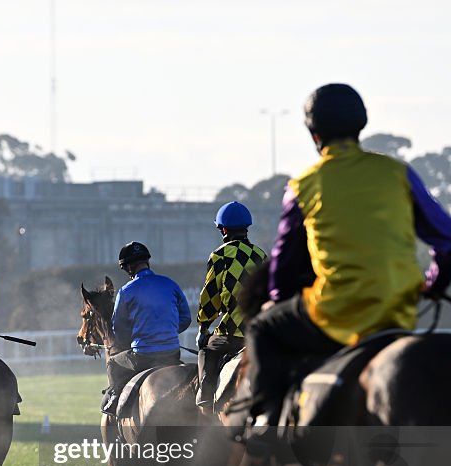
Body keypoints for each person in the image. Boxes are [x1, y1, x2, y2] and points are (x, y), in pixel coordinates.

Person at [247, 84, 451, 428]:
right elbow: (446, 241)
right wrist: (432, 284)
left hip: (334, 312)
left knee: (262, 329)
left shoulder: (303, 185)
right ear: (361, 125)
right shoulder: (398, 173)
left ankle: (265, 420)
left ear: (315, 135)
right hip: (399, 309)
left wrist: (278, 300)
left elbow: (283, 267)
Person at [104, 241, 192, 415]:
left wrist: (138, 338)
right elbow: (186, 318)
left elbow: (119, 331)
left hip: (143, 356)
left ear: (129, 267)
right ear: (147, 261)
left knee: (113, 361)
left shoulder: (126, 291)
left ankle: (114, 399)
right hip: (172, 353)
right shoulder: (170, 284)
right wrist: (167, 333)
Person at [195, 202, 267, 411]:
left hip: (231, 335)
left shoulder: (220, 255)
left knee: (206, 349)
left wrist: (203, 327)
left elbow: (210, 297)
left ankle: (206, 401)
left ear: (223, 230)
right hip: (259, 334)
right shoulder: (261, 254)